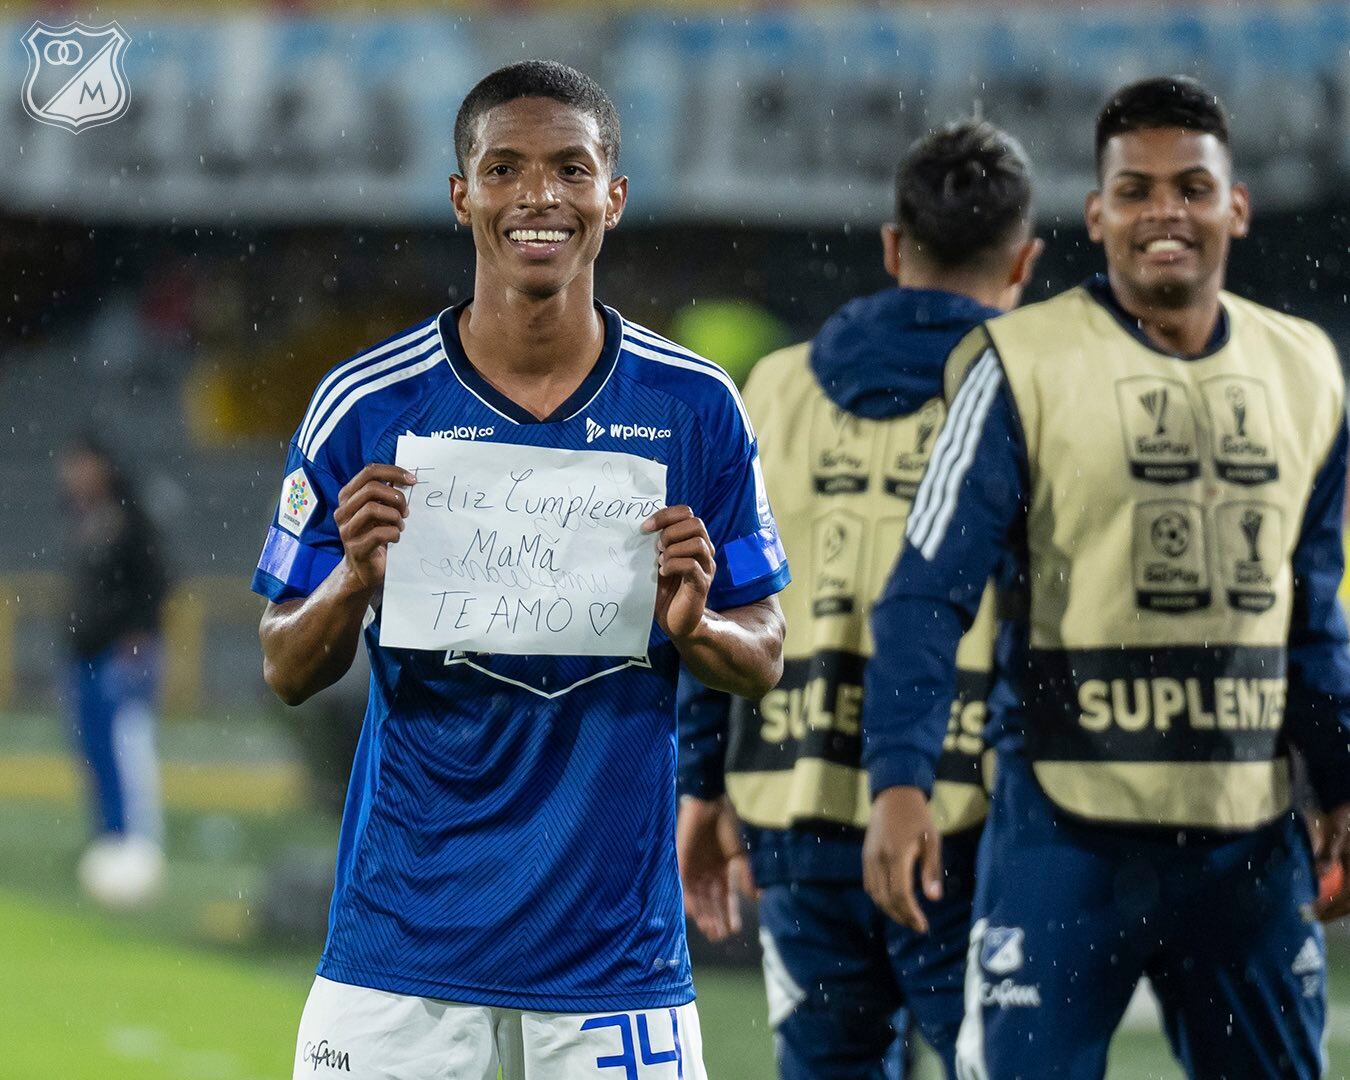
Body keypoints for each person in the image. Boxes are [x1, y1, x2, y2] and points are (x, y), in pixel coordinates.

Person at [251, 60, 790, 1080]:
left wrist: (697, 629)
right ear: (463, 196)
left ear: (613, 197)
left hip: (613, 956)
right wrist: (352, 580)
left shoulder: (698, 405)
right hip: (401, 943)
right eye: (505, 169)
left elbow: (762, 654)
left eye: (570, 170)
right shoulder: (365, 405)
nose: (539, 196)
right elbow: (284, 664)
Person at [862, 76, 1350, 1080]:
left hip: (1247, 842)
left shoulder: (1307, 369)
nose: (1164, 212)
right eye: (1135, 190)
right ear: (1098, 214)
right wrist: (900, 781)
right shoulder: (1017, 363)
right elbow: (925, 592)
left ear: (1236, 206)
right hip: (1065, 837)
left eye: (1191, 187)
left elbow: (1311, 607)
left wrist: (1340, 770)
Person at [676, 119, 1041, 1079]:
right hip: (970, 823)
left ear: (891, 247)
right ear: (1025, 261)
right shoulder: (1040, 391)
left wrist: (703, 782)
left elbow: (715, 595)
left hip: (793, 808)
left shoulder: (778, 386)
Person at [60, 434, 169, 910]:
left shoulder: (130, 514)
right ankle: (109, 839)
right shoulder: (83, 514)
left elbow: (159, 579)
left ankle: (139, 844)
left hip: (120, 653)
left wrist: (140, 632)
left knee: (128, 743)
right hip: (84, 652)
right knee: (92, 749)